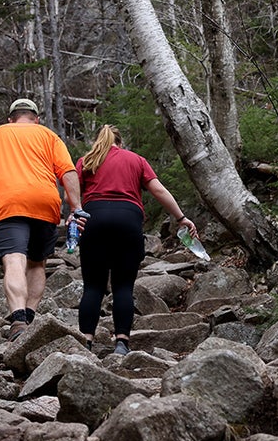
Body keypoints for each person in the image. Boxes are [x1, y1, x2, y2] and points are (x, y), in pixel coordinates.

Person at [0, 98, 84, 340]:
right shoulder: (48, 135)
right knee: (37, 264)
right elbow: (68, 172)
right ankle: (30, 315)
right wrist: (76, 207)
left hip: (8, 204)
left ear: (10, 118)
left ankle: (18, 321)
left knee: (15, 260)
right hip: (45, 203)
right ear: (36, 119)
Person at [76, 124, 200, 355]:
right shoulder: (136, 160)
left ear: (98, 141)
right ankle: (121, 342)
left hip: (94, 219)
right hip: (128, 220)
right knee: (123, 285)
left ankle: (86, 341)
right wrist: (181, 218)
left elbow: (69, 196)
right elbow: (159, 191)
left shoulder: (86, 161)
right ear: (120, 143)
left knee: (93, 286)